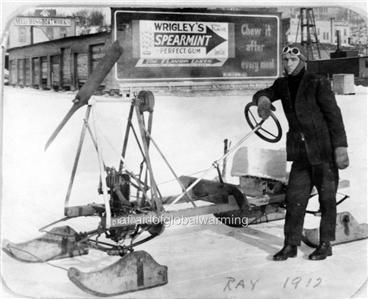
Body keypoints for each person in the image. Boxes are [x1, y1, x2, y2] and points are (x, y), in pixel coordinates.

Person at [252, 45, 349, 261]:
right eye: (285, 60)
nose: (288, 64)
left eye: (292, 60)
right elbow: (264, 92)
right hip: (300, 154)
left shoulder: (317, 82)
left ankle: (325, 244)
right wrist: (264, 101)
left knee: (327, 199)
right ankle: (290, 245)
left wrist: (340, 147)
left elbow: (334, 115)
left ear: (302, 61)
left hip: (323, 151)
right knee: (295, 198)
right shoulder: (283, 84)